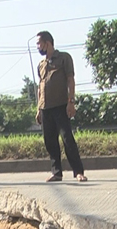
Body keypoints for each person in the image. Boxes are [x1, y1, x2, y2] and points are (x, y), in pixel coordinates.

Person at [35, 31, 87, 182]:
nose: (38, 47)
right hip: (45, 108)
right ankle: (56, 172)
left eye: (39, 43)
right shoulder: (41, 64)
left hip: (61, 105)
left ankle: (78, 171)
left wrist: (71, 102)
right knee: (49, 141)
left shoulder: (64, 58)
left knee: (67, 139)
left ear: (47, 43)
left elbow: (70, 80)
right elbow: (40, 87)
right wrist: (39, 108)